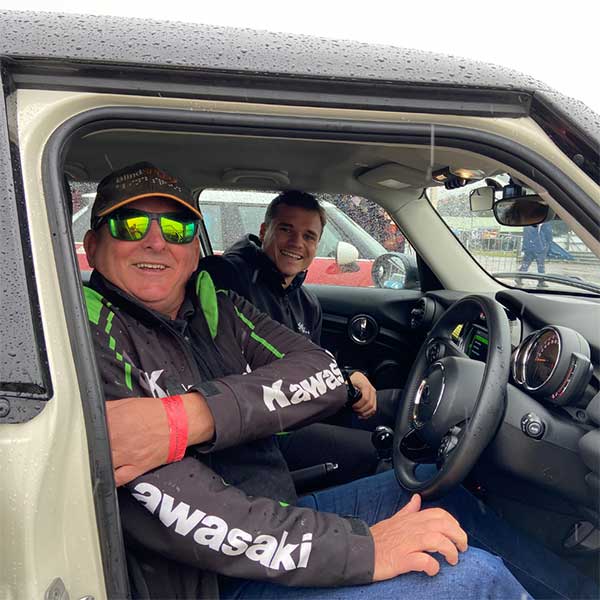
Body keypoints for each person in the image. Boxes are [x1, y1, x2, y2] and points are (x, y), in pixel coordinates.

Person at [83, 162, 531, 599]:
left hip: (279, 515)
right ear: (92, 241)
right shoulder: (84, 339)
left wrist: (188, 417)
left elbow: (323, 372)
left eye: (177, 228)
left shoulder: (215, 309)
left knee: (440, 491)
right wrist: (364, 549)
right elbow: (198, 518)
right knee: (473, 577)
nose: (157, 242)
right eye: (131, 225)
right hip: (215, 578)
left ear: (191, 247)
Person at [198, 191, 398, 487]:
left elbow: (312, 361)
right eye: (286, 230)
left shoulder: (306, 302)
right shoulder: (227, 279)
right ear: (265, 231)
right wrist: (340, 380)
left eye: (309, 236)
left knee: (399, 408)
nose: (297, 244)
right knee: (378, 451)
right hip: (259, 427)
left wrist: (348, 376)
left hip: (301, 408)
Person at [517, 222, 553, 287]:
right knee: (540, 265)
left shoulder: (527, 223)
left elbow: (525, 235)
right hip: (539, 246)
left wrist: (525, 246)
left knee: (526, 263)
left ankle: (519, 278)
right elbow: (549, 235)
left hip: (528, 246)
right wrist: (547, 246)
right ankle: (541, 281)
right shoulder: (544, 222)